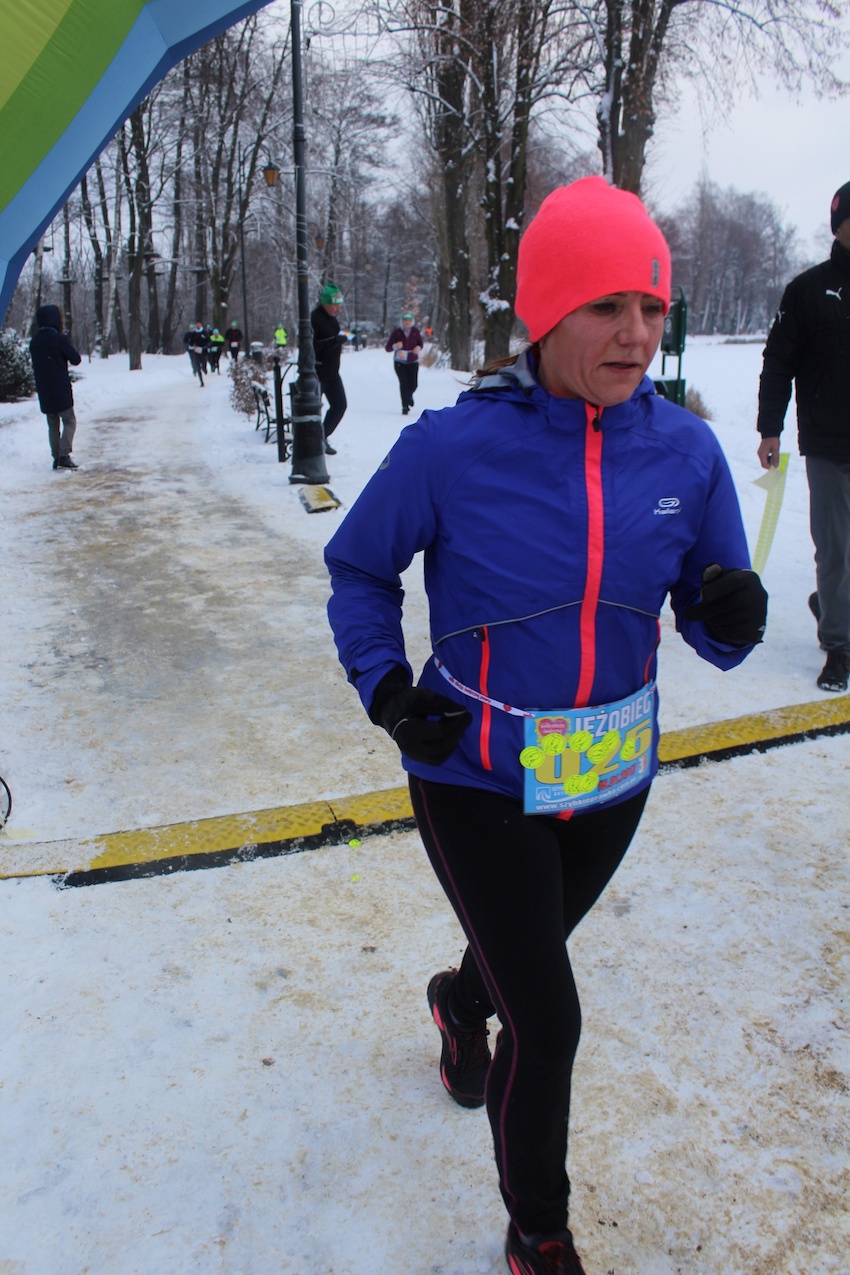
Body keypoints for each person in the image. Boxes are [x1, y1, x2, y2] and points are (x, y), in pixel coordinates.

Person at [324, 177, 768, 1275]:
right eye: (606, 305)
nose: (636, 333)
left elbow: (711, 619)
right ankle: (539, 1232)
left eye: (652, 307)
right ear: (545, 315)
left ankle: (455, 997)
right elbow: (359, 569)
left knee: (524, 957)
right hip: (474, 773)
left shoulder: (686, 453)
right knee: (549, 1017)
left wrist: (731, 614)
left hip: (610, 777)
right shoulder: (452, 449)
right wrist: (387, 690)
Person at [757, 179, 850, 693]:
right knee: (836, 548)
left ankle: (831, 606)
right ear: (839, 225)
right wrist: (769, 428)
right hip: (830, 441)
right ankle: (839, 645)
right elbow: (779, 362)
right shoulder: (809, 291)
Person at [29, 304, 82, 470]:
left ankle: (56, 457)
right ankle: (64, 455)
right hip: (60, 388)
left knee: (52, 424)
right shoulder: (59, 339)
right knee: (69, 421)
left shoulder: (35, 341)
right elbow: (76, 359)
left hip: (44, 390)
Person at [311, 282, 348, 455]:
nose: (338, 309)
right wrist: (334, 341)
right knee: (313, 411)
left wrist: (340, 339)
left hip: (332, 373)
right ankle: (312, 442)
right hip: (317, 374)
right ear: (325, 303)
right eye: (335, 305)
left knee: (340, 406)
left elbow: (333, 340)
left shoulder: (332, 319)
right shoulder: (314, 319)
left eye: (339, 305)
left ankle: (322, 437)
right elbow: (312, 347)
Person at [385, 312, 423, 414]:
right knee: (404, 383)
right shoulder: (397, 332)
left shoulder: (415, 332)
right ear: (402, 321)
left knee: (413, 384)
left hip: (413, 361)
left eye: (409, 320)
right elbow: (388, 348)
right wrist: (396, 346)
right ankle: (405, 406)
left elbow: (421, 344)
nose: (407, 322)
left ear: (412, 321)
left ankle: (409, 395)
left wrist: (418, 348)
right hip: (400, 362)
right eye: (405, 320)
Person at [183, 322, 208, 386]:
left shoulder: (204, 332)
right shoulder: (191, 334)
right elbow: (188, 342)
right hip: (194, 351)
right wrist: (189, 344)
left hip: (203, 351)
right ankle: (201, 380)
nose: (191, 329)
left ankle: (204, 368)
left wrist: (206, 346)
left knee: (204, 363)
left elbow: (209, 340)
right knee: (195, 362)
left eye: (192, 328)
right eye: (190, 328)